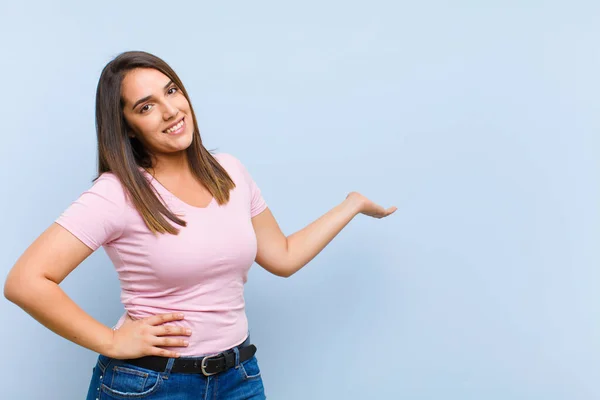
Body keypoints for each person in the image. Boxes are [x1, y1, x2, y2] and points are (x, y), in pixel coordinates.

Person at [3, 51, 397, 399]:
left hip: (238, 377)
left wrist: (352, 205)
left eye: (171, 91)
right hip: (151, 385)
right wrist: (111, 340)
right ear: (126, 126)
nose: (171, 110)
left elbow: (283, 256)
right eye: (146, 106)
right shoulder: (118, 193)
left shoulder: (229, 172)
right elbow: (25, 282)